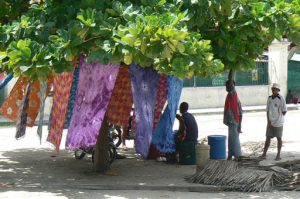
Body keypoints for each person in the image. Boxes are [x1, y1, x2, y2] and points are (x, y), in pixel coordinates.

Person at [261, 83, 287, 161]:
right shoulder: (269, 98)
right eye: (272, 89)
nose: (273, 90)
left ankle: (278, 155)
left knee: (279, 138)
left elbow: (284, 111)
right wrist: (268, 121)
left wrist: (279, 116)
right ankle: (264, 154)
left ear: (278, 90)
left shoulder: (281, 98)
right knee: (268, 138)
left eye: (275, 89)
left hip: (278, 122)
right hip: (270, 122)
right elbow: (267, 110)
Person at [223, 79, 243, 160]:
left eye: (227, 86)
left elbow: (240, 113)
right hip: (231, 121)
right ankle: (230, 154)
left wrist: (232, 68)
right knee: (231, 139)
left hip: (234, 120)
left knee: (234, 139)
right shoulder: (229, 95)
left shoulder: (233, 94)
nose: (226, 87)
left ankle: (238, 156)